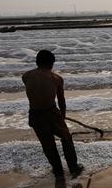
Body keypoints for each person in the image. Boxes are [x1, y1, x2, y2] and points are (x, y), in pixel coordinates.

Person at [22, 50, 83, 179]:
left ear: (37, 62)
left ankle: (58, 170)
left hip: (35, 114)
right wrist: (63, 115)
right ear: (51, 63)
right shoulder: (57, 79)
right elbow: (61, 100)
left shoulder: (26, 76)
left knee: (47, 144)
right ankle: (73, 168)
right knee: (66, 138)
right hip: (51, 113)